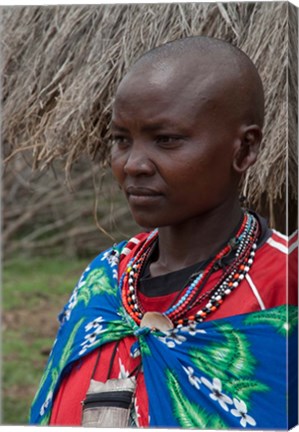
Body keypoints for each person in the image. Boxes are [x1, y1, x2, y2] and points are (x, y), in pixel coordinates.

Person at [30, 36, 298, 428]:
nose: (133, 164)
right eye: (122, 140)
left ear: (245, 149)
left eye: (166, 140)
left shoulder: (283, 285)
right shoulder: (104, 279)